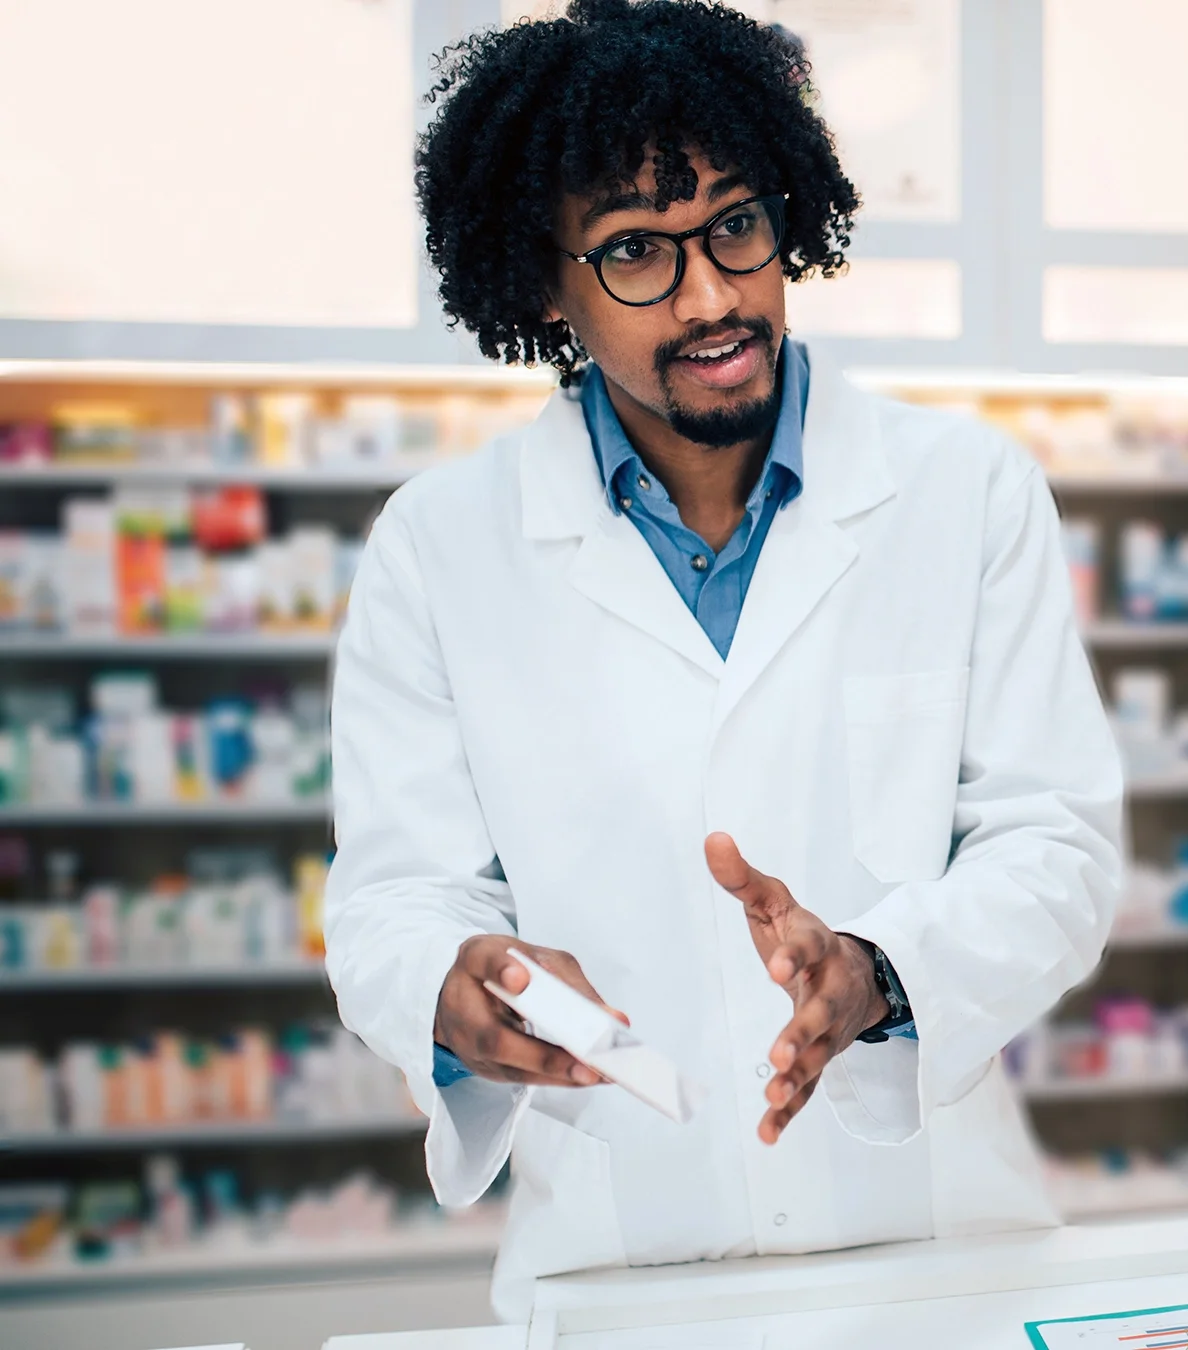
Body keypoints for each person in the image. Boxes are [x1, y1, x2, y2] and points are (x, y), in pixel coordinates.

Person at [324, 0, 1121, 1318]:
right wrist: (453, 982)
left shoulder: (963, 491)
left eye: (736, 225)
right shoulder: (439, 546)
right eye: (637, 250)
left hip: (932, 1245)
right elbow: (394, 896)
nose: (711, 297)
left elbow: (1057, 845)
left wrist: (880, 966)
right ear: (544, 279)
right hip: (622, 1259)